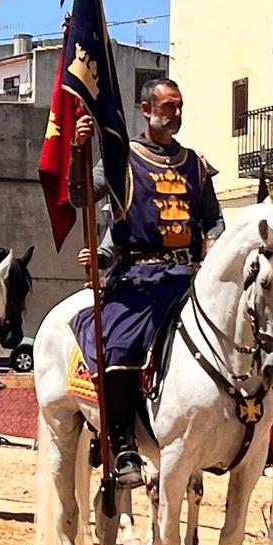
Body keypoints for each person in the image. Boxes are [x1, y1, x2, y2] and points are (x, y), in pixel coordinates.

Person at [73, 77, 224, 489]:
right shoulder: (124, 157)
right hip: (137, 278)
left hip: (186, 277)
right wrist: (79, 150)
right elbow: (80, 195)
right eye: (168, 106)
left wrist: (212, 244)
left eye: (179, 106)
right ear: (146, 109)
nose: (175, 113)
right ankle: (121, 444)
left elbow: (212, 218)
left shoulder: (194, 162)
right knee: (119, 343)